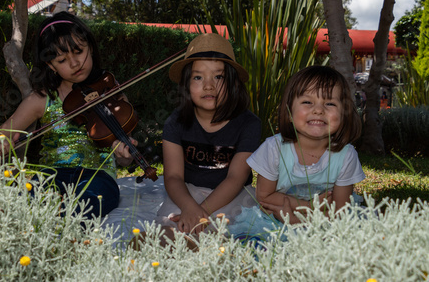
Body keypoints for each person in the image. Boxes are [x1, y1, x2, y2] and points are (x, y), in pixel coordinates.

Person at [0, 11, 135, 219]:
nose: (74, 63)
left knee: (89, 204)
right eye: (62, 59)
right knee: (22, 201)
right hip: (51, 175)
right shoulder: (41, 99)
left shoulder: (110, 92)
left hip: (98, 176)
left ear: (90, 47)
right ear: (50, 65)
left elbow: (126, 160)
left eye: (79, 51)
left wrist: (124, 155)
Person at [230, 65, 365, 240]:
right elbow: (264, 197)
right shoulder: (274, 148)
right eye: (307, 102)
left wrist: (299, 220)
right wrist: (308, 206)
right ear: (289, 109)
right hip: (274, 219)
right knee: (255, 245)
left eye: (330, 103)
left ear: (344, 113)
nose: (318, 110)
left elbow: (339, 212)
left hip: (327, 221)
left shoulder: (346, 156)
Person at [156, 33, 262, 237]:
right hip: (186, 194)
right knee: (170, 226)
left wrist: (200, 213)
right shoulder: (175, 123)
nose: (208, 85)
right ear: (186, 84)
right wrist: (189, 208)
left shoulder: (249, 124)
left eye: (218, 76)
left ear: (233, 82)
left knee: (231, 230)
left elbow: (235, 178)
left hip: (232, 194)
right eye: (198, 77)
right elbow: (173, 176)